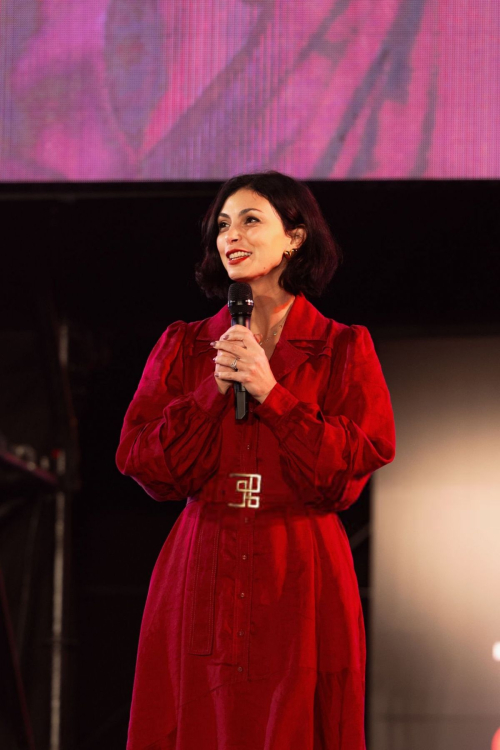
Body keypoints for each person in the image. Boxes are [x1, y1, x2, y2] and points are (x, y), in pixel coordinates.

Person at [116, 171, 395, 750]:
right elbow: (144, 463)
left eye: (250, 220)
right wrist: (208, 392)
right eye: (222, 224)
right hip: (203, 567)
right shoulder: (187, 344)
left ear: (294, 237)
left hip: (299, 568)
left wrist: (273, 395)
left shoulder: (343, 346)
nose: (230, 236)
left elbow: (348, 471)